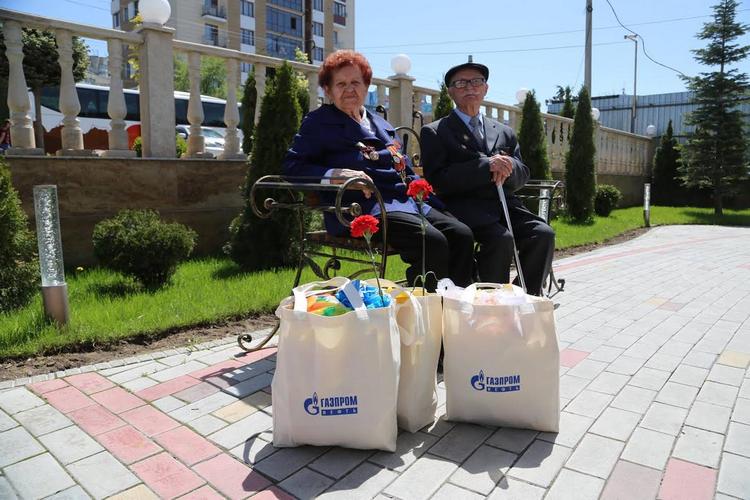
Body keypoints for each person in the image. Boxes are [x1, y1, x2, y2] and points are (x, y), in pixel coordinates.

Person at [284, 50, 474, 290]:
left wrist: (435, 203)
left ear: (366, 87)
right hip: (361, 208)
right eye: (341, 84)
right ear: (328, 90)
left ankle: (456, 302)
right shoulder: (319, 123)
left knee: (462, 234)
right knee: (431, 241)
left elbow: (404, 168)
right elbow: (292, 167)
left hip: (406, 203)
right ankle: (425, 305)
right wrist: (334, 175)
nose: (349, 89)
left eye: (356, 82)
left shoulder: (381, 124)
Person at [420, 60, 555, 296]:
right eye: (461, 83)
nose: (469, 87)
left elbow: (523, 173)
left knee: (543, 234)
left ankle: (523, 297)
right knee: (501, 239)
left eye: (476, 81)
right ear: (450, 92)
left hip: (504, 203)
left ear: (485, 88)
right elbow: (437, 180)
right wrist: (486, 166)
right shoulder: (436, 131)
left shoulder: (503, 131)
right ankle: (490, 302)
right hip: (464, 206)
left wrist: (510, 166)